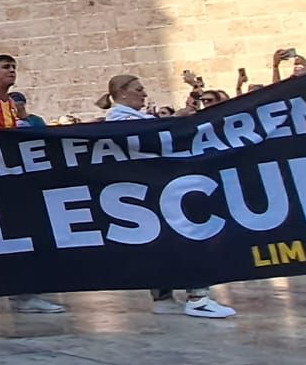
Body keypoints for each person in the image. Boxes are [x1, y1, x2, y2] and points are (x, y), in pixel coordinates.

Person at [101, 75, 236, 319]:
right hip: (154, 189)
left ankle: (164, 296)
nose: (143, 94)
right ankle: (197, 295)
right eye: (138, 89)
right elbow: (149, 138)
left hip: (152, 189)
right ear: (122, 92)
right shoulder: (120, 118)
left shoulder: (135, 117)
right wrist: (175, 123)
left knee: (163, 244)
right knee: (187, 236)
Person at [0, 57, 65, 317]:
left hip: (12, 175)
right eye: (6, 67)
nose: (12, 71)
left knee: (20, 233)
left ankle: (26, 294)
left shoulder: (10, 105)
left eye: (13, 67)